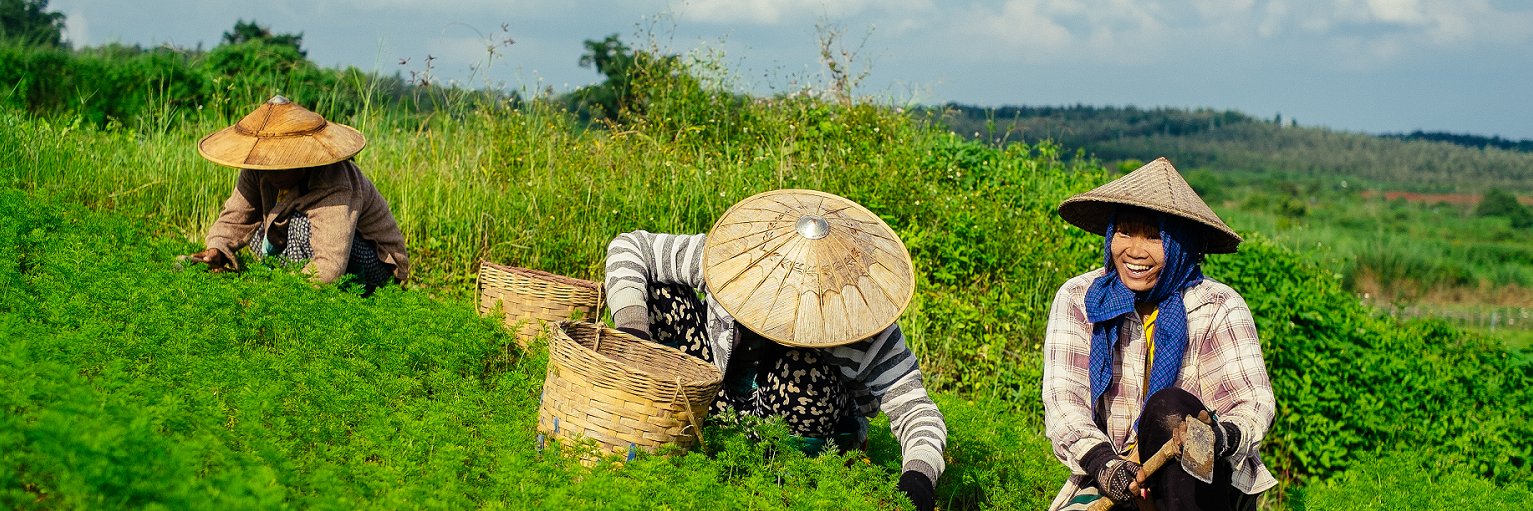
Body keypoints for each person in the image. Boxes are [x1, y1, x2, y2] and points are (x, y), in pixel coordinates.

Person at [604, 189, 948, 511]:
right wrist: (634, 334)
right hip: (716, 397)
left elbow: (917, 411)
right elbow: (631, 246)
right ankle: (665, 422)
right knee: (661, 295)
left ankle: (788, 474)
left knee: (802, 370)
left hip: (797, 427)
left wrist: (917, 482)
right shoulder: (730, 262)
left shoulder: (862, 325)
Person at [1042, 158, 1276, 511]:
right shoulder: (1080, 298)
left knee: (1169, 407)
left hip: (1202, 481)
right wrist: (1106, 464)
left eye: (1154, 236)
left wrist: (1218, 436)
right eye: (1125, 232)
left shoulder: (1218, 305)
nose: (1135, 251)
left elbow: (1253, 403)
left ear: (1181, 243)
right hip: (1115, 474)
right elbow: (1064, 401)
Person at [182, 95, 409, 291]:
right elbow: (236, 216)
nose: (271, 172)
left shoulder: (334, 182)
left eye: (280, 165)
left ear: (301, 161)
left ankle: (303, 292)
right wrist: (217, 249)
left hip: (375, 266)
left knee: (300, 225)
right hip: (318, 254)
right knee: (261, 227)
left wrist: (282, 293)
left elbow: (330, 265)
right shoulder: (258, 169)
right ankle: (291, 281)